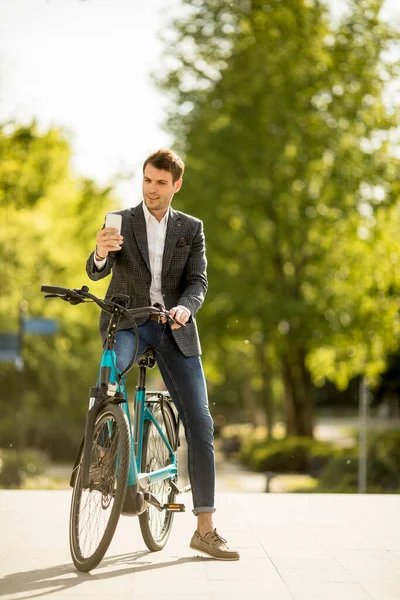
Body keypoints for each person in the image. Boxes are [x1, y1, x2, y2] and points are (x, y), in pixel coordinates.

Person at [86, 148, 239, 561]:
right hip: (130, 322)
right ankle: (101, 461)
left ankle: (205, 529)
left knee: (201, 422)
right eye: (147, 180)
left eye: (160, 183)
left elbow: (198, 281)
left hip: (175, 329)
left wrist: (186, 308)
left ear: (176, 185)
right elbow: (96, 271)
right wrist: (100, 252)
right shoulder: (121, 220)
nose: (151, 190)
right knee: (106, 378)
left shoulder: (192, 228)